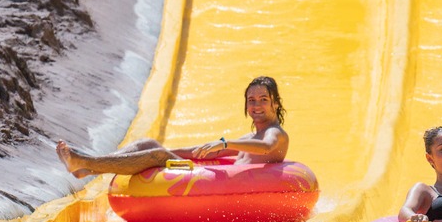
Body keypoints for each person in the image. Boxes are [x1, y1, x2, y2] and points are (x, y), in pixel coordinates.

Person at [56, 76, 289, 177]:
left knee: (156, 154)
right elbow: (206, 151)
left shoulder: (275, 133)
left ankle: (85, 162)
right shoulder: (252, 135)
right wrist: (169, 153)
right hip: (208, 176)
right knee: (149, 145)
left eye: (263, 100)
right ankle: (90, 169)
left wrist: (225, 142)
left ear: (276, 103)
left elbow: (267, 147)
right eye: (251, 100)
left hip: (215, 186)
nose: (256, 105)